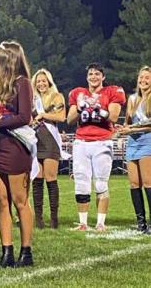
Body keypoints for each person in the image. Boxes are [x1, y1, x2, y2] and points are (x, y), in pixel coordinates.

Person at [0, 41, 34, 268]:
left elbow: (25, 117)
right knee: (2, 201)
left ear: (8, 61)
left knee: (20, 201)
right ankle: (6, 251)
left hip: (15, 148)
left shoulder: (22, 83)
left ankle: (26, 252)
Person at [67, 62, 125, 231]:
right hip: (81, 142)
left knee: (100, 183)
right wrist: (79, 107)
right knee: (81, 183)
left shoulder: (112, 91)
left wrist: (96, 108)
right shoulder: (78, 93)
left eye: (97, 74)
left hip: (102, 141)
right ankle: (83, 222)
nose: (94, 77)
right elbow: (69, 120)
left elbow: (113, 117)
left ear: (103, 77)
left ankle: (100, 222)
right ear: (87, 77)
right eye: (91, 74)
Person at [116, 66, 151, 234]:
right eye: (141, 77)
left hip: (147, 142)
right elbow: (128, 123)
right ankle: (141, 223)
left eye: (147, 78)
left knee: (148, 182)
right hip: (132, 143)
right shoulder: (132, 99)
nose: (143, 80)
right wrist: (122, 129)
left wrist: (131, 130)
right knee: (134, 183)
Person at [31, 69, 66, 229]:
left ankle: (54, 218)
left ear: (49, 82)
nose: (41, 84)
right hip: (35, 140)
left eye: (44, 80)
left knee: (51, 178)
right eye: (38, 81)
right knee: (37, 179)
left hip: (50, 140)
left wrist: (43, 115)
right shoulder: (32, 99)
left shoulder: (57, 96)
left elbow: (61, 117)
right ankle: (38, 219)